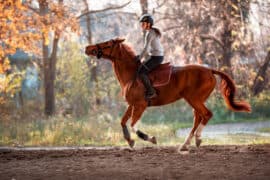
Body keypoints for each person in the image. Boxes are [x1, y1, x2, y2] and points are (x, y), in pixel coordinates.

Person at [136, 14, 164, 99]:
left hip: (156, 57)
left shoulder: (150, 33)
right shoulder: (152, 31)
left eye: (143, 23)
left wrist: (140, 58)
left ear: (148, 24)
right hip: (156, 56)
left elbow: (146, 48)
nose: (141, 25)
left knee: (141, 72)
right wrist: (140, 57)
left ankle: (151, 91)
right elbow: (148, 50)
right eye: (141, 23)